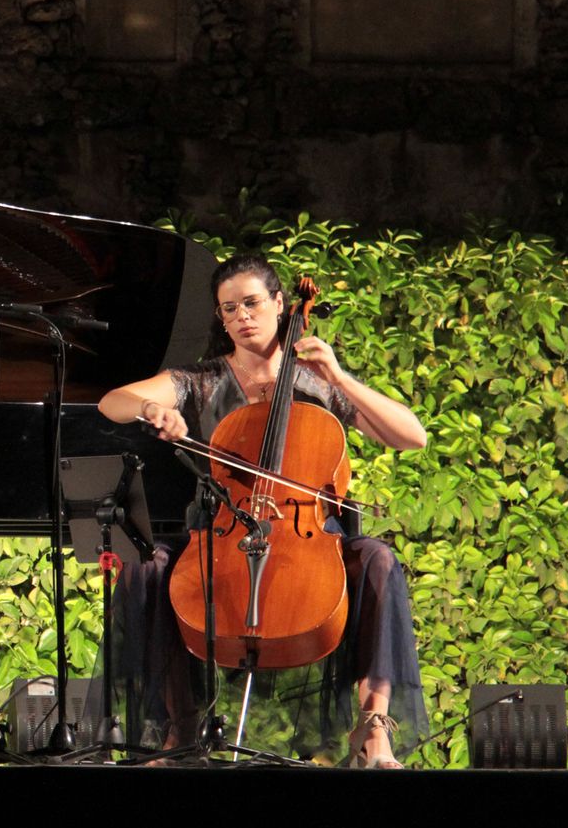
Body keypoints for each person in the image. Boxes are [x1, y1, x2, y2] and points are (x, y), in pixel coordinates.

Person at [98, 252, 428, 768]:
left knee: (379, 561)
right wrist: (151, 406)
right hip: (221, 533)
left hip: (308, 537)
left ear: (280, 304)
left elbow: (412, 436)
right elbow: (112, 401)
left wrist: (339, 376)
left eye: (251, 303)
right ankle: (178, 732)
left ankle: (372, 727)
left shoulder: (319, 385)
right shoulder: (200, 380)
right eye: (228, 309)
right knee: (147, 565)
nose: (240, 317)